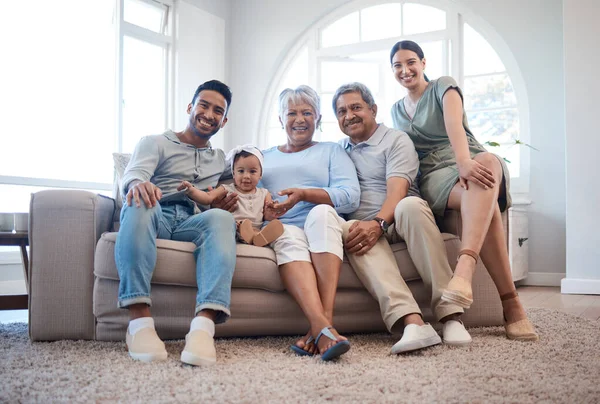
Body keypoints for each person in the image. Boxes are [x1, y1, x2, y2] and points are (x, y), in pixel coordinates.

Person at [389, 40, 538, 341]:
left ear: (423, 62)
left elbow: (454, 124)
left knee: (484, 169)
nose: (405, 70)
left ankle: (465, 269)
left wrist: (464, 163)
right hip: (434, 177)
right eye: (398, 65)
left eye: (411, 62)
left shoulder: (443, 86)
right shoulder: (396, 110)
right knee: (486, 201)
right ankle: (511, 304)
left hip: (465, 157)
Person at [218, 85, 360, 361]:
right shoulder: (262, 157)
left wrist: (304, 195)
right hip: (283, 226)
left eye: (307, 112)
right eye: (292, 113)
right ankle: (325, 332)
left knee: (319, 213)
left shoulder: (332, 151)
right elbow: (232, 179)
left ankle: (320, 325)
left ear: (317, 118)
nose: (299, 119)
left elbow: (351, 196)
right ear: (280, 119)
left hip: (323, 221)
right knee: (286, 236)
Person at [331, 82, 471, 353]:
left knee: (409, 205)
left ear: (373, 109)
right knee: (351, 228)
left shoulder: (396, 139)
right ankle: (412, 322)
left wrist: (379, 223)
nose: (349, 115)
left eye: (356, 107)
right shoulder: (338, 150)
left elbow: (398, 190)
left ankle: (451, 315)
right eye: (341, 111)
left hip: (399, 218)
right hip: (364, 224)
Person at [115, 79, 237, 366]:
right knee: (138, 201)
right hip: (156, 213)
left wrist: (224, 199)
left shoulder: (220, 159)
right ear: (190, 107)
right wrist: (138, 184)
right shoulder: (155, 142)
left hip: (191, 222)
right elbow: (134, 174)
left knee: (221, 218)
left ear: (224, 119)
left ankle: (203, 328)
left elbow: (245, 176)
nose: (209, 114)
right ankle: (139, 324)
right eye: (203, 105)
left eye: (217, 111)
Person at [184, 144, 284, 246]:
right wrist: (192, 191)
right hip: (234, 228)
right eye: (241, 171)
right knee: (235, 227)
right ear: (233, 173)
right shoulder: (226, 189)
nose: (246, 176)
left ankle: (259, 237)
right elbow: (208, 197)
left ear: (260, 175)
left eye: (252, 171)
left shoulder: (264, 193)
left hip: (256, 229)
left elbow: (266, 216)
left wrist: (271, 213)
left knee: (267, 226)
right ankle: (251, 238)